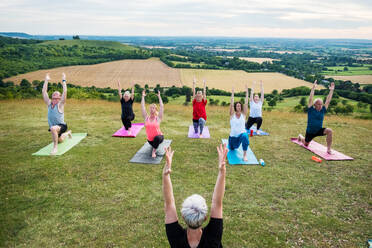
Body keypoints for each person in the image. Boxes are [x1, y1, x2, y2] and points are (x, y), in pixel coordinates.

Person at [163, 144, 228, 247]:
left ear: (183, 217)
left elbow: (169, 204)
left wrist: (166, 174)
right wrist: (222, 171)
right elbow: (217, 202)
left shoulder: (176, 238)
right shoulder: (213, 237)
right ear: (205, 218)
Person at [298, 80, 335, 154]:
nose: (320, 106)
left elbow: (328, 100)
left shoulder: (323, 110)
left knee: (329, 131)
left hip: (319, 130)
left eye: (321, 104)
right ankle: (300, 137)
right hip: (310, 132)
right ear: (314, 105)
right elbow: (310, 99)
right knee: (306, 144)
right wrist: (313, 88)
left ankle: (328, 149)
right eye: (318, 104)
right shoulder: (311, 110)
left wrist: (331, 90)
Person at [42, 73, 72, 155]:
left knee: (53, 129)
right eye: (53, 94)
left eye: (57, 94)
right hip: (55, 128)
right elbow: (44, 91)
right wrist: (46, 80)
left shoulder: (60, 104)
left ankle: (55, 148)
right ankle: (68, 133)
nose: (55, 94)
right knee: (60, 140)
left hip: (61, 126)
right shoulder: (49, 104)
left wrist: (64, 80)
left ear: (60, 97)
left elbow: (65, 91)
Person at [141, 90, 164, 158]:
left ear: (155, 110)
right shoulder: (146, 117)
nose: (151, 109)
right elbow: (142, 107)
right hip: (150, 140)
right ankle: (154, 145)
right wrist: (143, 97)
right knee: (153, 142)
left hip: (159, 137)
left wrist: (159, 96)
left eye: (153, 108)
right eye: (150, 108)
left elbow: (162, 106)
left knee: (157, 138)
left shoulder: (158, 118)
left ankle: (153, 151)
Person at [229, 86, 250, 161]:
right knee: (231, 148)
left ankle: (245, 155)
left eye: (240, 106)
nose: (239, 107)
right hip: (232, 138)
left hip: (240, 136)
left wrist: (247, 92)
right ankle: (232, 145)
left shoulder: (243, 115)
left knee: (245, 136)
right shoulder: (232, 115)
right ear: (235, 107)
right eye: (237, 106)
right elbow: (231, 104)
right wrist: (232, 93)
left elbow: (246, 103)